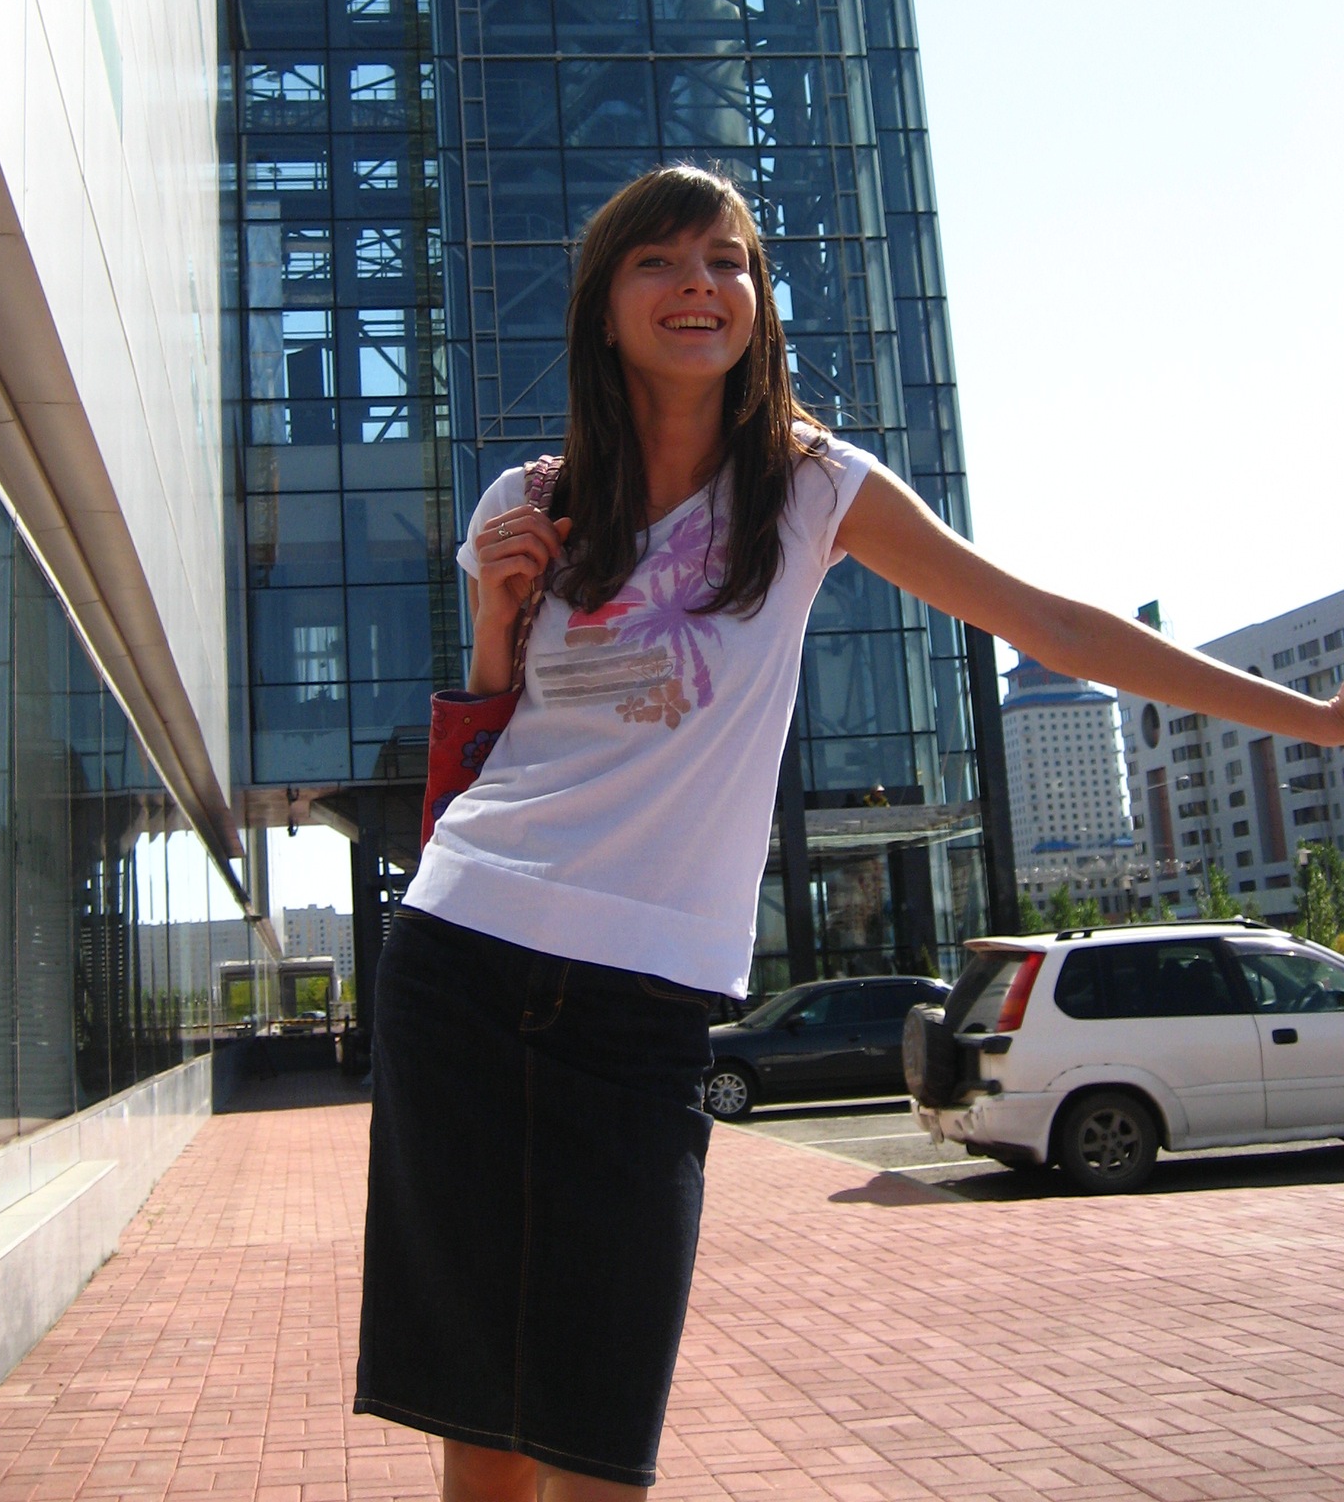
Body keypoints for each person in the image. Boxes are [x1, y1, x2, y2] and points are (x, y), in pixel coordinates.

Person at [354, 164, 1342, 1501]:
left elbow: (1047, 623)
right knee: (481, 1429)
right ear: (604, 304)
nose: (700, 285)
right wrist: (492, 618)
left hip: (648, 999)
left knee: (596, 1431)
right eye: (660, 261)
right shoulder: (527, 502)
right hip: (466, 956)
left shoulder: (814, 489)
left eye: (727, 260)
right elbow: (485, 748)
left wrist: (1316, 723)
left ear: (758, 301)